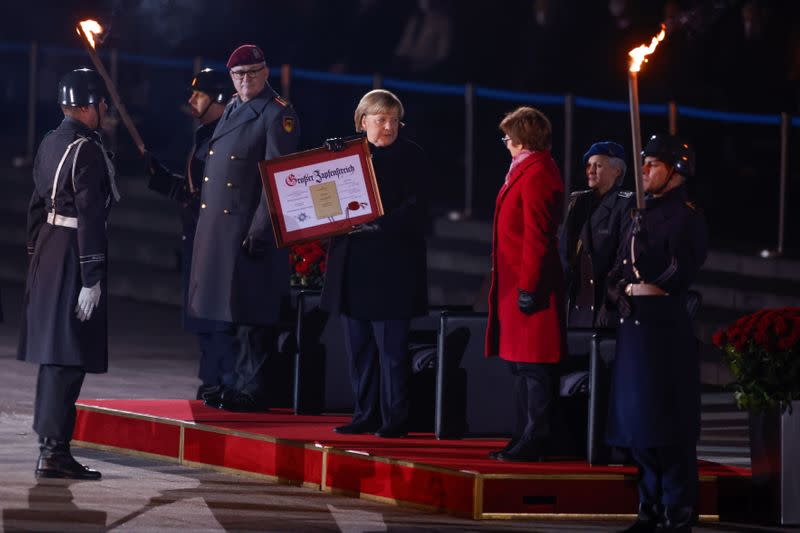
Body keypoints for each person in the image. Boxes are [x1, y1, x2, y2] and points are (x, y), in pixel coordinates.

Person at [17, 67, 119, 479]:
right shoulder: (86, 149)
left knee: (54, 356)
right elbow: (91, 215)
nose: (105, 111)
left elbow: (36, 203)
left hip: (49, 250)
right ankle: (55, 452)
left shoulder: (49, 142)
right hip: (74, 254)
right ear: (89, 106)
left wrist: (35, 252)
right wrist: (92, 275)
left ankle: (50, 448)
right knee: (67, 357)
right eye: (101, 105)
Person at [188, 44, 300, 412]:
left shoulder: (276, 114)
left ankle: (251, 388)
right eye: (238, 75)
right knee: (231, 313)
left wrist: (261, 231)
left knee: (252, 314)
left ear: (266, 73)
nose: (245, 80)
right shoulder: (234, 108)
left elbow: (276, 180)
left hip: (248, 231)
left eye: (252, 73)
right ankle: (231, 383)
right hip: (222, 229)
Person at [605, 134, 707, 532]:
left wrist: (646, 256)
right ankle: (647, 508)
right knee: (638, 424)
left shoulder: (687, 216)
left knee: (668, 423)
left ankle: (676, 510)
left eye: (653, 164)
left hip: (663, 324)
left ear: (676, 171)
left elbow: (678, 273)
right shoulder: (638, 211)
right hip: (634, 323)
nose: (644, 170)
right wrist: (616, 289)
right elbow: (620, 263)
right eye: (643, 163)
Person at [320, 89, 428, 438]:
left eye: (394, 119)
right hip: (355, 269)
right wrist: (327, 159)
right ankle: (365, 414)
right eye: (380, 119)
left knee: (392, 353)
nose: (388, 126)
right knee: (360, 351)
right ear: (362, 122)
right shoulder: (347, 155)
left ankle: (395, 419)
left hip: (392, 271)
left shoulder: (412, 157)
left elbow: (418, 209)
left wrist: (380, 224)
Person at [144, 68, 239, 401]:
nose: (191, 100)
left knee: (217, 315)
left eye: (199, 94)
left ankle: (226, 379)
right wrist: (165, 181)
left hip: (217, 240)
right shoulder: (204, 134)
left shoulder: (230, 137)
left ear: (221, 99)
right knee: (201, 313)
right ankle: (211, 376)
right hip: (196, 236)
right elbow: (194, 192)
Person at [485, 106, 566, 461]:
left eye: (508, 136)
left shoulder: (537, 174)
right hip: (515, 285)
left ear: (522, 138)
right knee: (520, 366)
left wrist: (529, 287)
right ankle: (522, 434)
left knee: (534, 367)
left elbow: (538, 236)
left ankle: (538, 437)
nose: (506, 142)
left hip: (531, 287)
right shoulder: (525, 169)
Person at [561, 141, 634, 328]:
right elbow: (565, 252)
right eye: (589, 165)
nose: (590, 170)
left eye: (598, 165)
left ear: (617, 171)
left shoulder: (625, 203)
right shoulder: (579, 202)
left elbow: (624, 253)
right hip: (577, 302)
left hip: (604, 303)